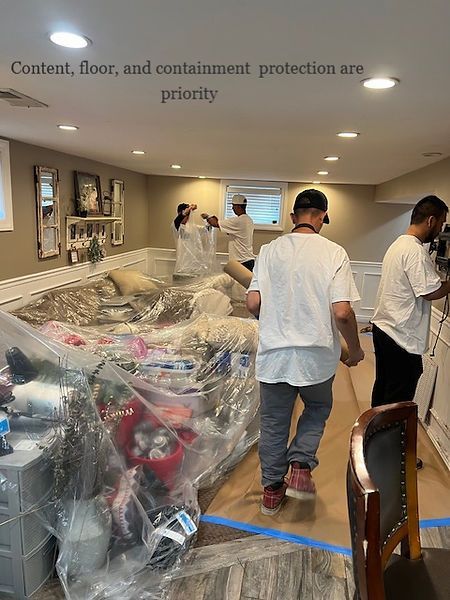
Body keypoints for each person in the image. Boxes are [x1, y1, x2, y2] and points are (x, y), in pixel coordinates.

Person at [246, 189, 364, 515]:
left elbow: (253, 302)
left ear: (292, 216)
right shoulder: (334, 252)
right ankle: (300, 464)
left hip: (274, 356)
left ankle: (271, 493)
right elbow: (342, 312)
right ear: (323, 216)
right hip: (316, 358)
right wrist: (355, 350)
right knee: (317, 407)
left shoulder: (269, 251)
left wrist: (273, 321)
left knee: (273, 423)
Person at [371, 196, 450, 410]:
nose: (440, 230)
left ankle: (374, 435)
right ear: (431, 220)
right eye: (442, 223)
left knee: (384, 388)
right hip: (401, 335)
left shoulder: (398, 244)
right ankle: (389, 439)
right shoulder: (415, 251)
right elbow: (431, 291)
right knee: (398, 398)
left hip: (385, 329)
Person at [201, 194, 255, 271]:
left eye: (233, 206)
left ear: (239, 206)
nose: (232, 208)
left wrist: (207, 217)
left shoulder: (238, 221)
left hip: (241, 262)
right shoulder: (248, 220)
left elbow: (215, 223)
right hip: (247, 260)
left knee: (238, 283)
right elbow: (222, 226)